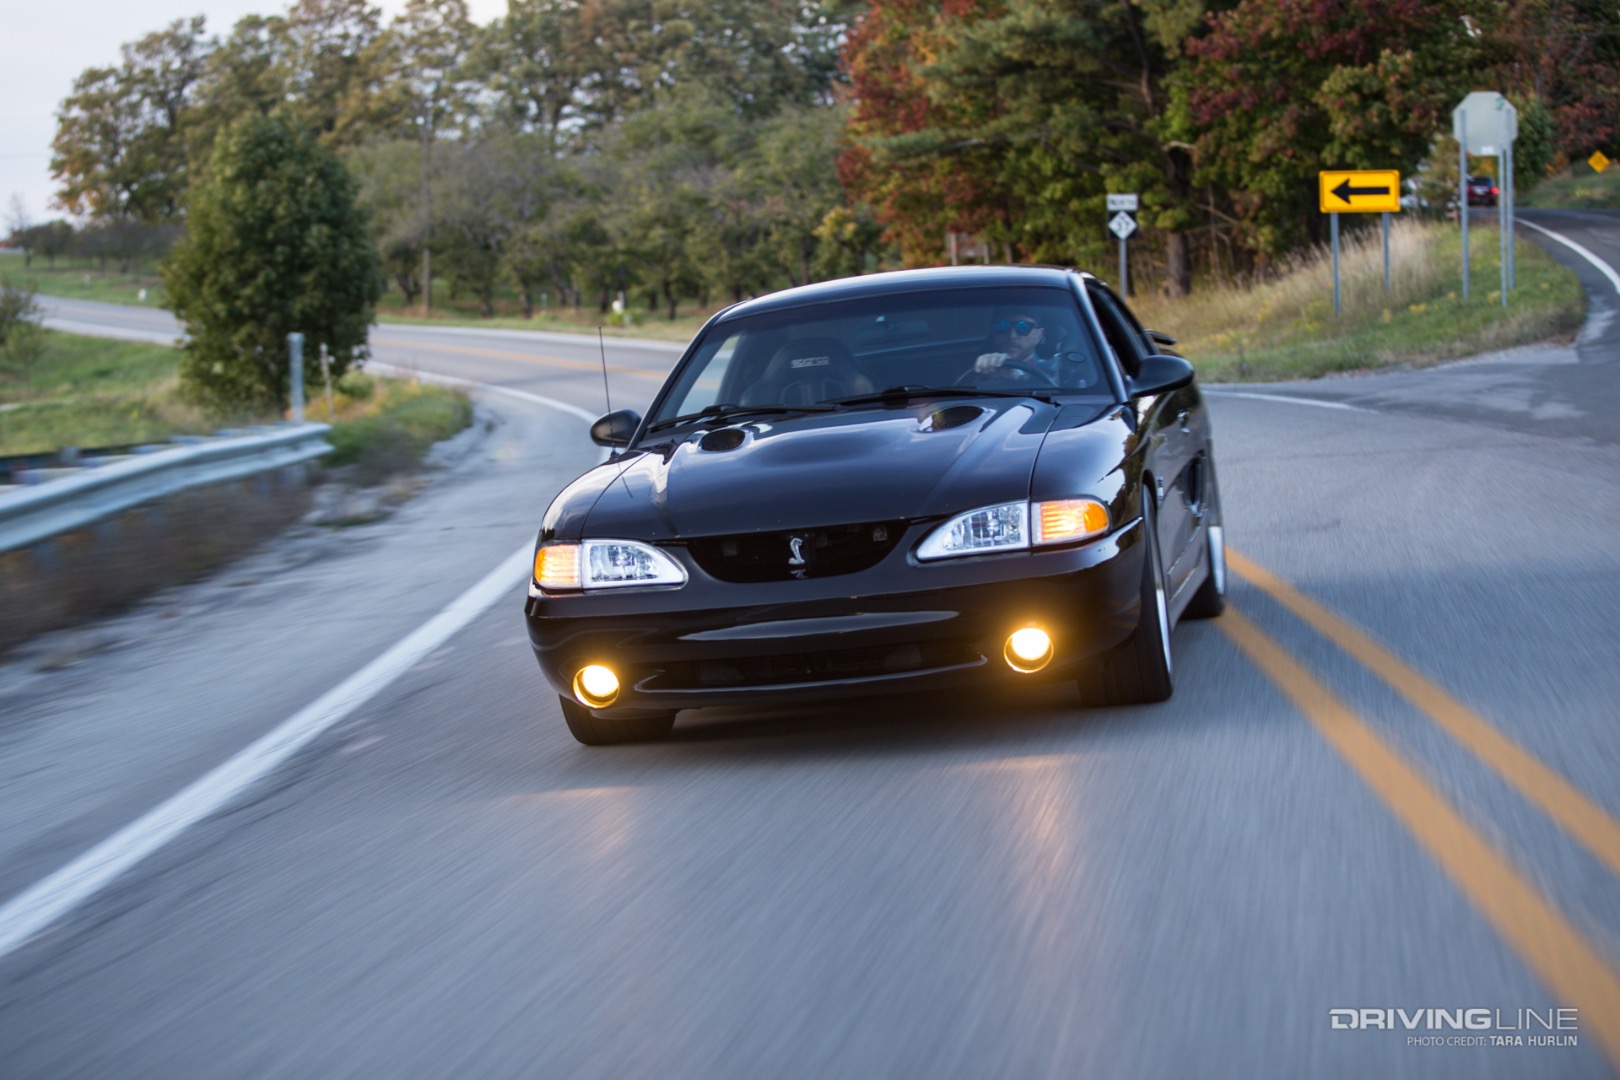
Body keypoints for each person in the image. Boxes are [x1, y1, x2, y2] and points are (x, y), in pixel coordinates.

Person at [973, 312, 1050, 381]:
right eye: (1002, 326)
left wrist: (1019, 378)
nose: (1012, 336)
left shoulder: (1053, 370)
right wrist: (981, 373)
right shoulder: (983, 372)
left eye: (1023, 327)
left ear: (1039, 335)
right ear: (994, 334)